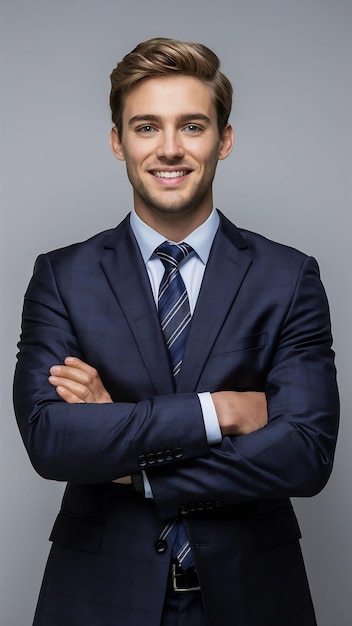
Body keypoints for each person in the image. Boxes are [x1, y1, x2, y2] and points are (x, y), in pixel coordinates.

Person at [13, 37, 339, 626]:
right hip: (97, 598)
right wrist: (219, 413)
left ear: (224, 139)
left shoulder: (288, 277)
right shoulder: (63, 277)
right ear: (118, 142)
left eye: (192, 126)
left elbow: (305, 455)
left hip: (254, 598)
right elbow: (51, 439)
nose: (169, 149)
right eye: (146, 127)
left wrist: (130, 462)